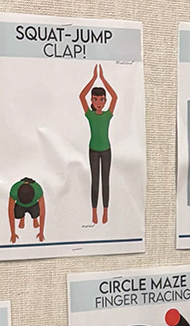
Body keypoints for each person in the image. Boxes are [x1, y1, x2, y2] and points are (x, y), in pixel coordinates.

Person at [78, 64, 118, 225]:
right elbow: (81, 96)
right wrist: (94, 79)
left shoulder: (108, 115)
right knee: (95, 181)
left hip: (106, 150)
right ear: (92, 101)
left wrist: (103, 79)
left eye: (102, 99)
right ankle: (94, 211)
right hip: (93, 150)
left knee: (105, 180)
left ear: (105, 100)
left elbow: (115, 97)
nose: (99, 102)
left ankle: (106, 211)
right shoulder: (90, 115)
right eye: (95, 99)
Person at [8, 177, 46, 243]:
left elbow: (42, 212)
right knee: (17, 213)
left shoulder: (38, 190)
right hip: (20, 205)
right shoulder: (14, 190)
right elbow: (10, 213)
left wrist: (41, 232)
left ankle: (35, 219)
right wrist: (13, 233)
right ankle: (22, 218)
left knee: (36, 212)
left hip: (33, 204)